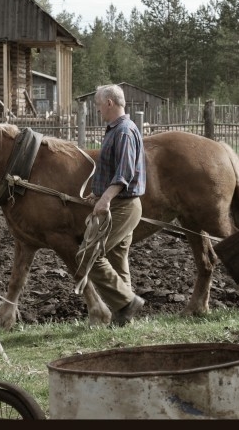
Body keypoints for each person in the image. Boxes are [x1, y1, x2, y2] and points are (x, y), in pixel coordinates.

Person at [86, 84, 146, 326]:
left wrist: (105, 198)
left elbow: (124, 174)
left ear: (109, 103)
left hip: (123, 205)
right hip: (119, 202)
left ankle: (128, 302)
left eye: (99, 104)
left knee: (88, 255)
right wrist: (97, 194)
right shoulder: (114, 130)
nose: (98, 109)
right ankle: (124, 318)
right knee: (117, 257)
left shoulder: (123, 132)